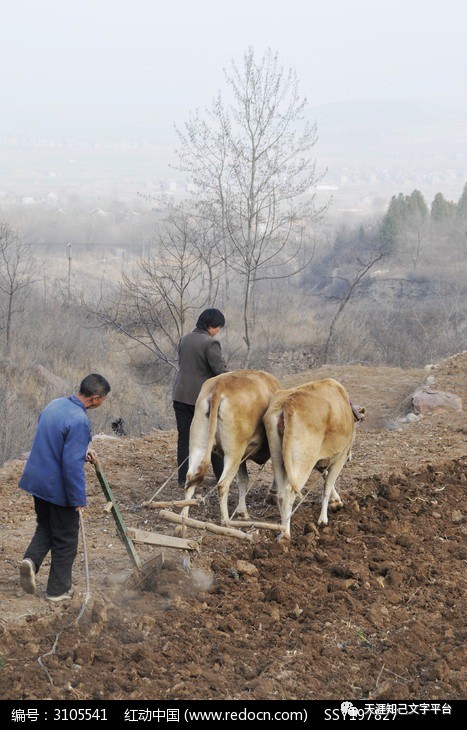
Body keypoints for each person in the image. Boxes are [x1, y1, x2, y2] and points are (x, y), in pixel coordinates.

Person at [18, 373, 111, 602]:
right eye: (104, 399)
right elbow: (71, 466)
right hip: (57, 487)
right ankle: (58, 590)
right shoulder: (80, 420)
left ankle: (31, 560)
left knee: (46, 526)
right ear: (96, 398)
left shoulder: (55, 404)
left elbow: (55, 435)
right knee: (67, 538)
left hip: (36, 481)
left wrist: (83, 447)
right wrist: (78, 498)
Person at [172, 308, 228, 486]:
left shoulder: (185, 338)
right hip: (200, 399)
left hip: (180, 394)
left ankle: (183, 478)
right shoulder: (210, 343)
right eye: (218, 326)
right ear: (211, 325)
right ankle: (221, 477)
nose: (218, 330)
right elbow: (220, 372)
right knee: (212, 436)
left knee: (184, 437)